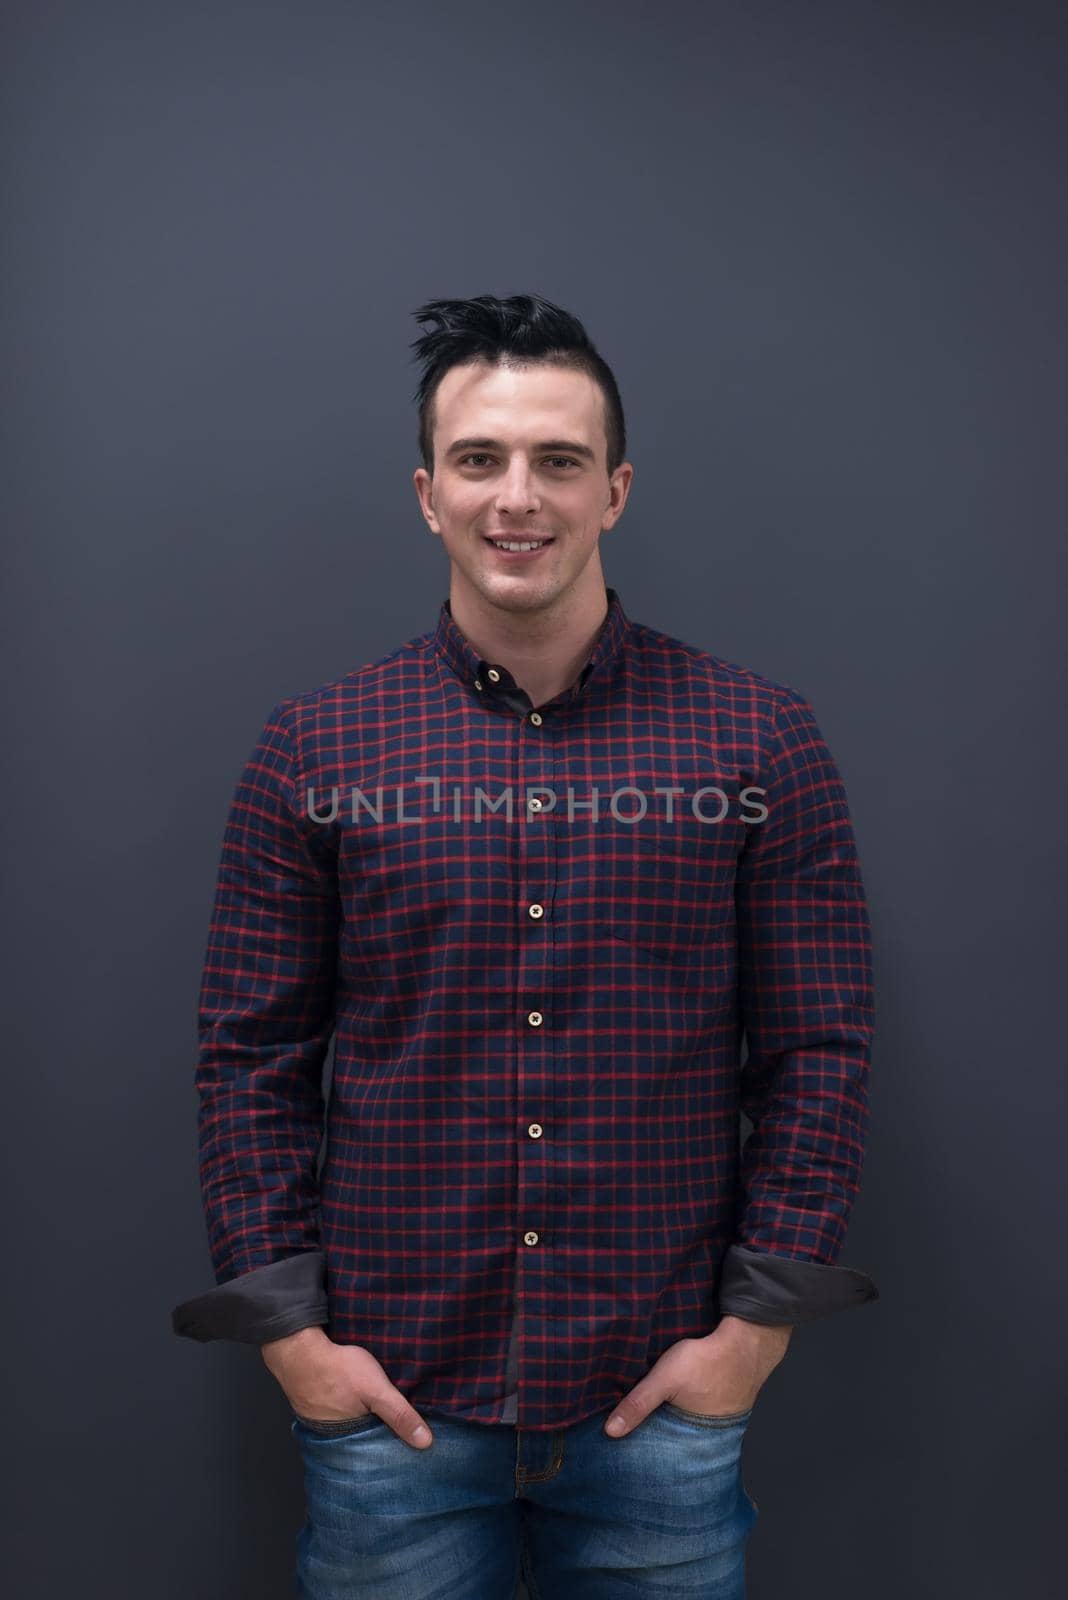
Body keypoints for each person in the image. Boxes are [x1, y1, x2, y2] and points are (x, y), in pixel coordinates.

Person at [171, 292, 878, 1599]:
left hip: (662, 1409)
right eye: (481, 460)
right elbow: (246, 1061)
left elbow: (819, 1051)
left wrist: (753, 1335)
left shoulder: (759, 742)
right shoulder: (316, 751)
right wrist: (295, 1345)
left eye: (558, 461)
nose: (519, 497)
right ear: (427, 492)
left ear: (613, 490)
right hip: (394, 1414)